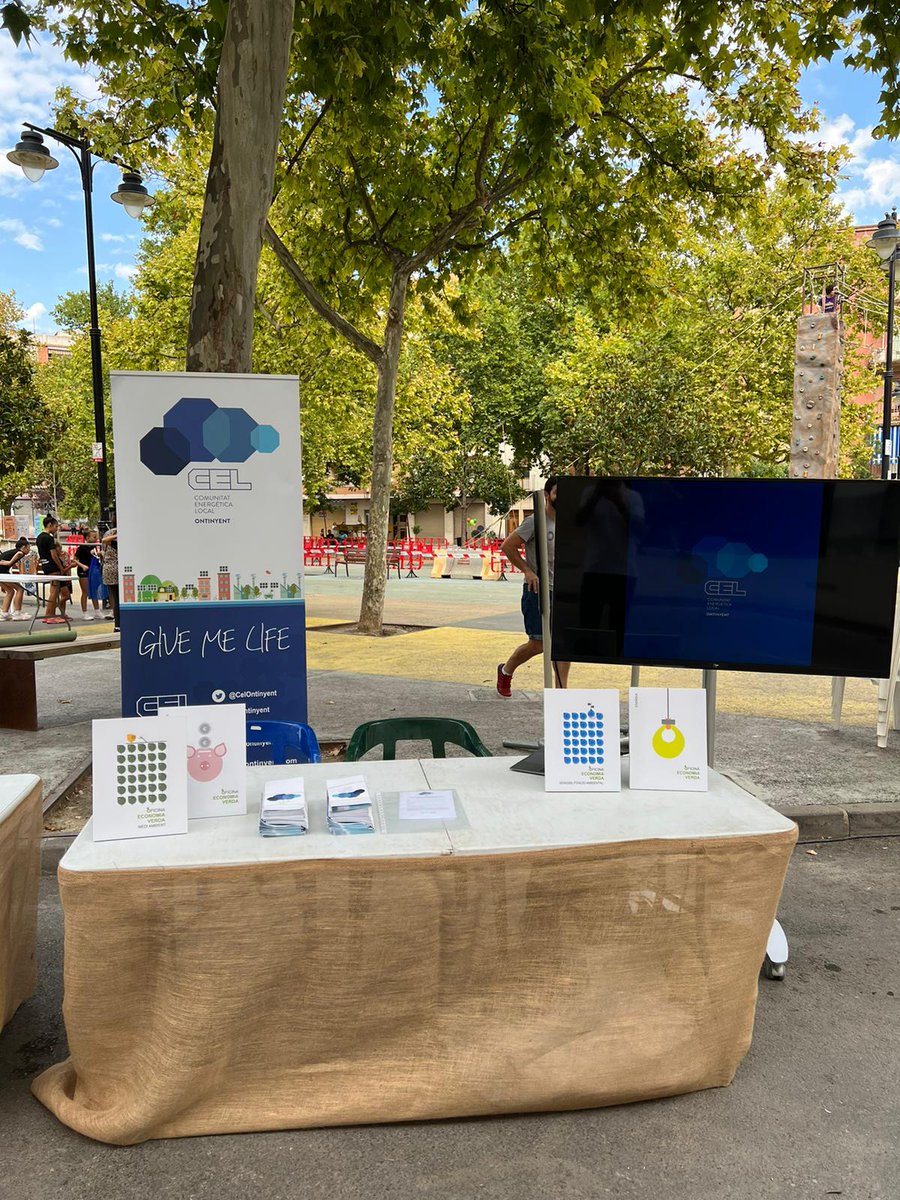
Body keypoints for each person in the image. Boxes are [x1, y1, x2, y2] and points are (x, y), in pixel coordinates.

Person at [496, 477, 570, 695]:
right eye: (557, 493)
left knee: (563, 645)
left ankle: (561, 692)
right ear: (547, 495)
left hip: (563, 590)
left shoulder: (569, 521)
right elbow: (508, 546)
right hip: (538, 590)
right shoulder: (535, 522)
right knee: (539, 644)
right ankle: (506, 670)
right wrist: (528, 571)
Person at [36, 515, 71, 625]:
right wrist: (61, 567)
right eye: (56, 526)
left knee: (54, 592)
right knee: (54, 593)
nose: (57, 529)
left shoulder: (39, 537)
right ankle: (50, 616)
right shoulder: (49, 538)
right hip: (52, 567)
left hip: (46, 565)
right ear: (50, 525)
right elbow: (53, 554)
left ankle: (49, 615)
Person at [0, 537, 32, 621]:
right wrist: (5, 562)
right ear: (24, 547)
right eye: (29, 547)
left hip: (2, 572)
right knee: (20, 589)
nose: (29, 550)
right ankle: (17, 613)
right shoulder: (20, 553)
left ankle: (4, 613)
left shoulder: (13, 551)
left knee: (10, 591)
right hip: (2, 572)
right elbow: (10, 562)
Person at [74, 530, 101, 620]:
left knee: (94, 590)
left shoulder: (94, 547)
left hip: (93, 571)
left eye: (96, 537)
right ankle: (85, 612)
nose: (96, 538)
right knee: (85, 592)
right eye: (93, 537)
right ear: (87, 538)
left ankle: (97, 611)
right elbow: (74, 559)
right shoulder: (82, 547)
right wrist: (83, 566)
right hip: (83, 572)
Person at [101, 524, 120, 632]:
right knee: (119, 599)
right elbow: (105, 541)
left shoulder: (108, 533)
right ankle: (119, 624)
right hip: (116, 569)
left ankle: (117, 624)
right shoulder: (118, 534)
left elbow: (104, 541)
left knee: (115, 598)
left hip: (107, 569)